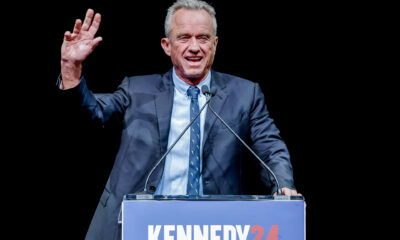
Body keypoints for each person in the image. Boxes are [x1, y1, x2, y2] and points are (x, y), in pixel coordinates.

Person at [58, 0, 301, 239]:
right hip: (139, 225)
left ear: (215, 44)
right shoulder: (137, 89)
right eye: (184, 37)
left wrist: (283, 186)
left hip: (212, 227)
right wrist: (70, 67)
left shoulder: (245, 94)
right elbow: (91, 114)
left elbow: (270, 148)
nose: (194, 47)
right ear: (167, 45)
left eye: (203, 38)